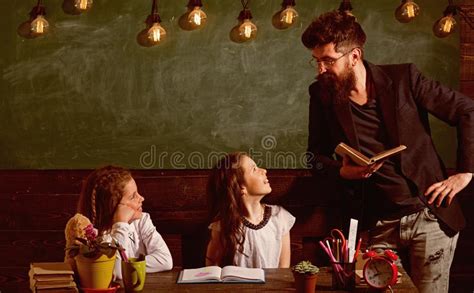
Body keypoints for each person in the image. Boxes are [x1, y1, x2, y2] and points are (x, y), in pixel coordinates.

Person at [301, 10, 473, 293]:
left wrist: (466, 172)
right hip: (376, 222)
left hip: (428, 215)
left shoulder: (405, 78)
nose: (320, 69)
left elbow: (467, 110)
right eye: (316, 60)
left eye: (328, 61)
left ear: (354, 56)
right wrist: (342, 171)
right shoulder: (321, 94)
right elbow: (314, 157)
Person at [65, 165, 173, 279]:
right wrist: (121, 223)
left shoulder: (142, 221)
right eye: (133, 197)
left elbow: (165, 260)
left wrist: (127, 265)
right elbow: (115, 272)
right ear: (113, 207)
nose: (141, 198)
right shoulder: (95, 236)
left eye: (138, 192)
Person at [205, 152, 295, 268]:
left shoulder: (279, 217)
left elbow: (283, 269)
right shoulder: (223, 225)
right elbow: (212, 268)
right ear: (241, 187)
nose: (264, 170)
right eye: (254, 169)